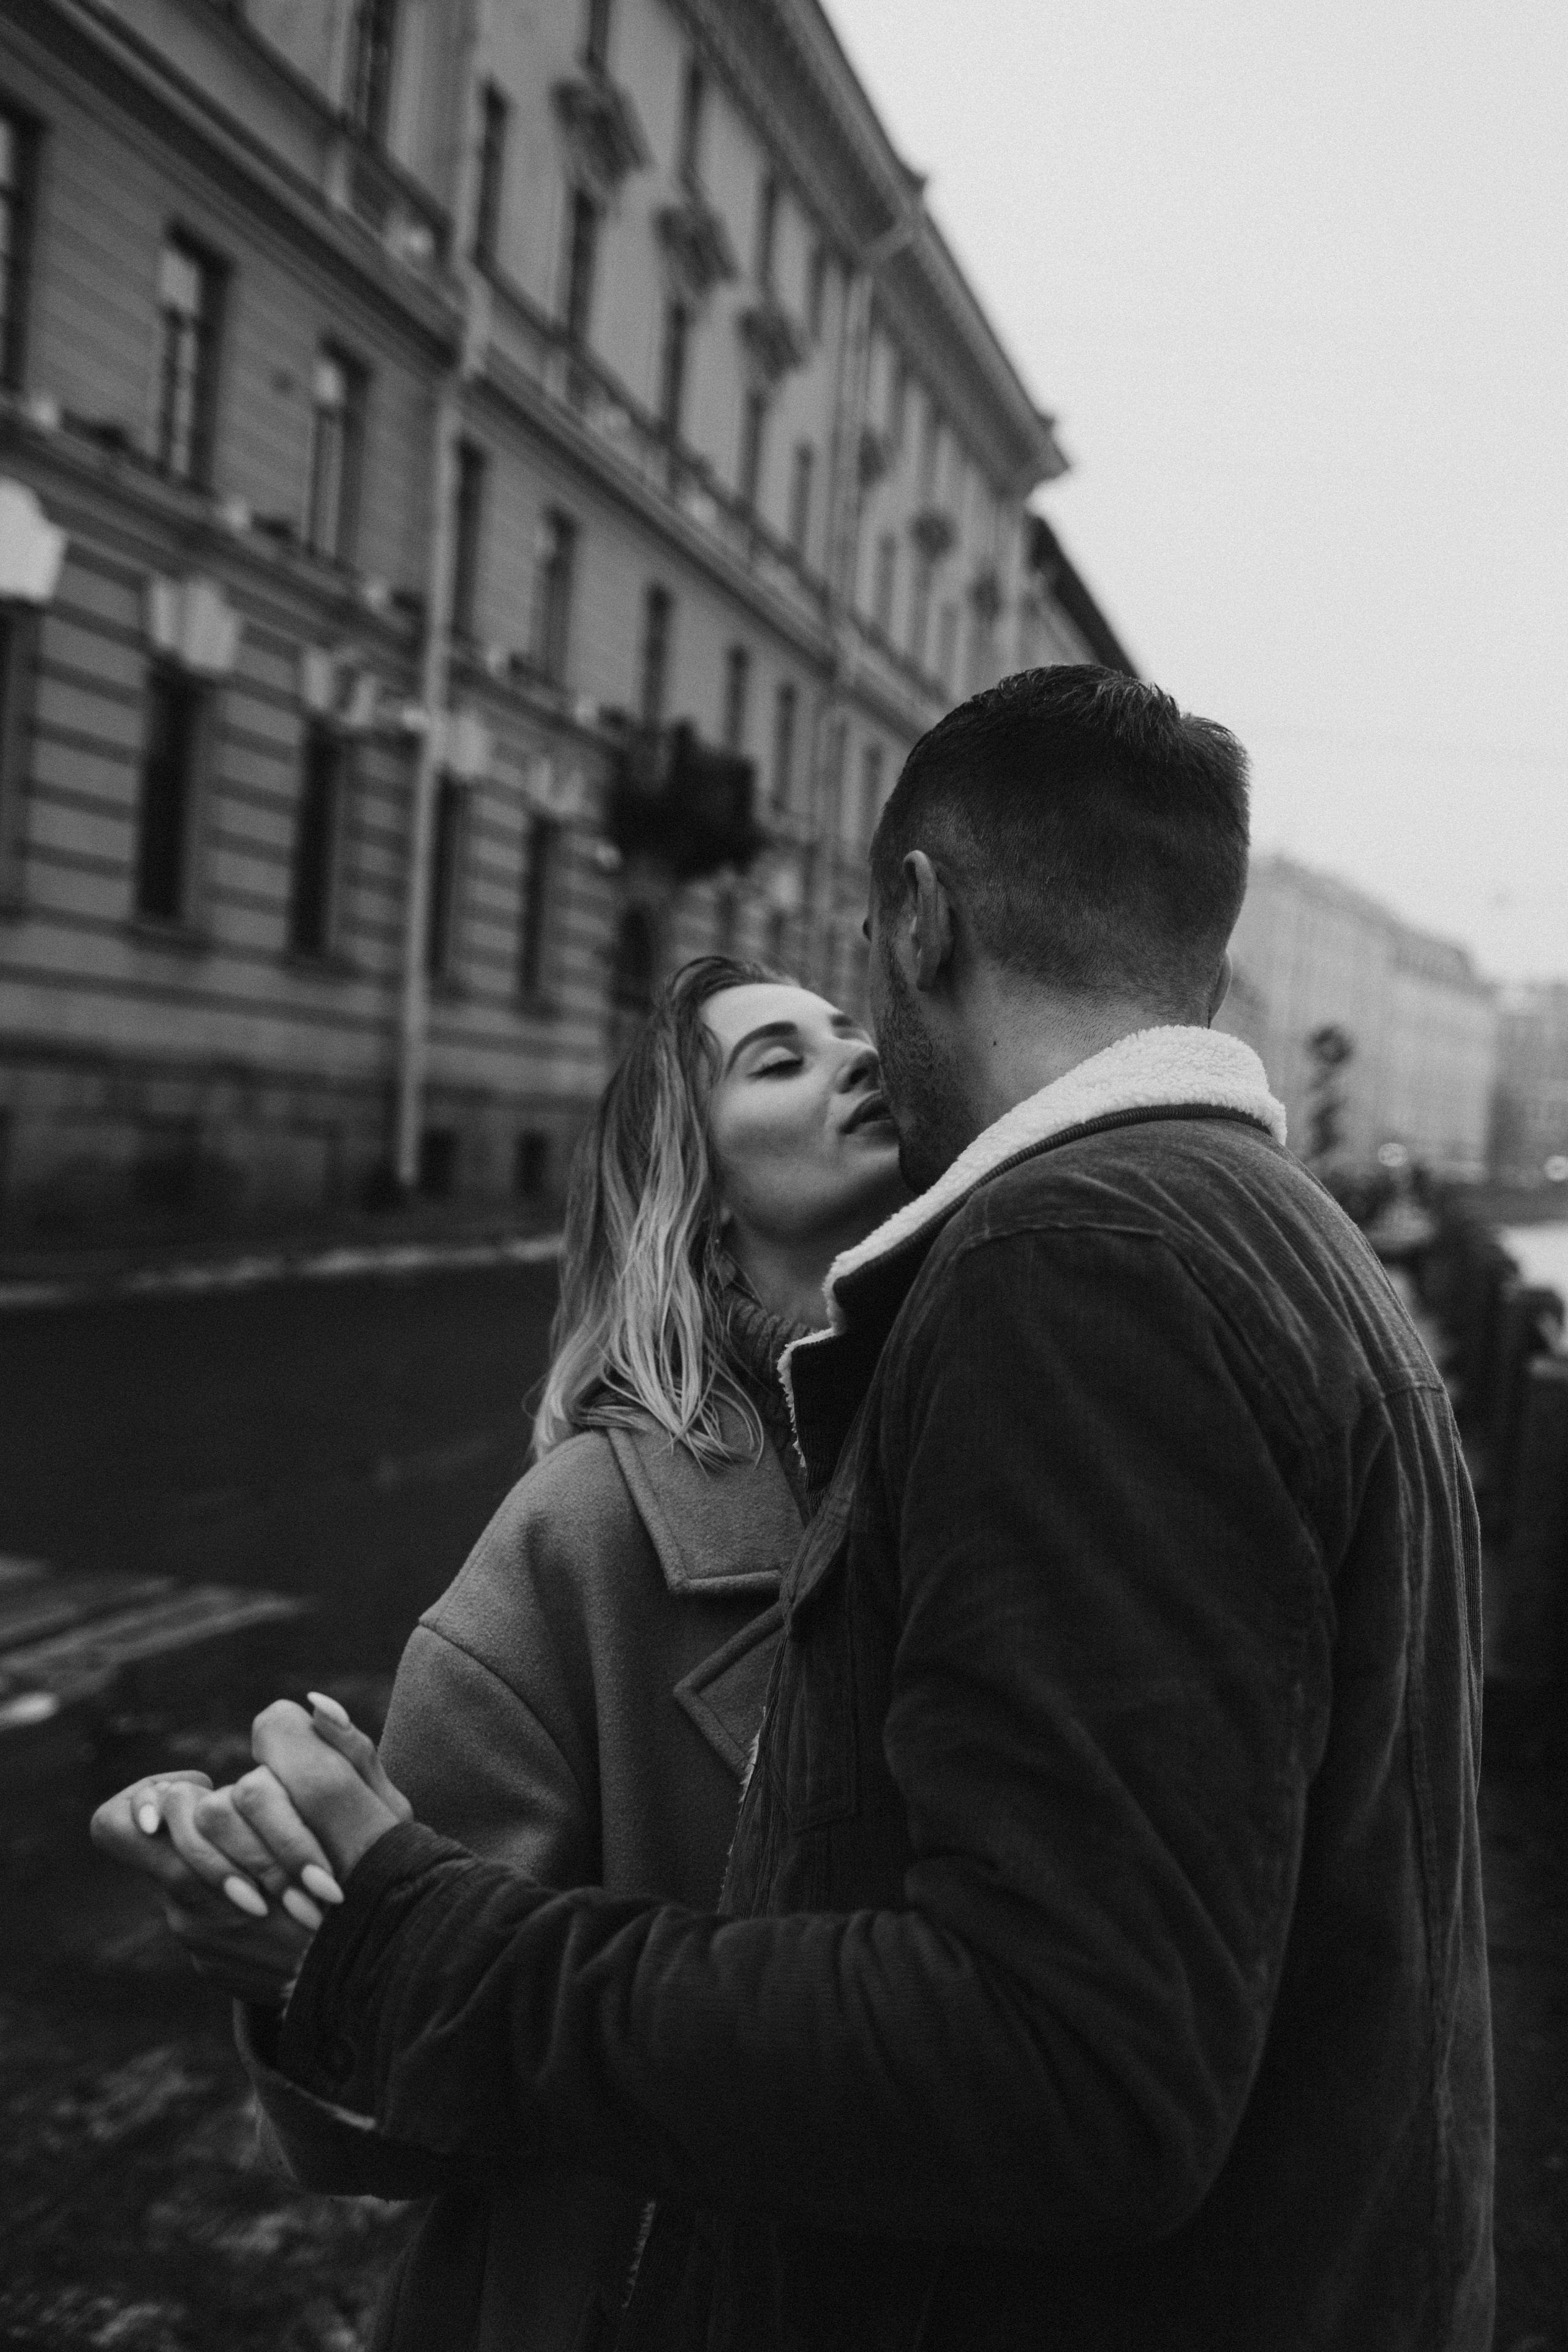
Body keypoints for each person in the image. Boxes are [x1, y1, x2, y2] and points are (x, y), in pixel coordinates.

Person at [133, 665, 1493, 2350]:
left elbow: (1064, 2067)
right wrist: (327, 1938)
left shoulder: (1075, 1273)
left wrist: (416, 1942)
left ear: (916, 919)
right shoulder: (1276, 1258)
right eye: (780, 1059)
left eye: (852, 999)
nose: (858, 1061)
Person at [89, 952, 909, 2352]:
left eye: (850, 1029)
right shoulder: (579, 1541)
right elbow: (422, 2100)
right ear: (699, 1209)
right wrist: (299, 1956)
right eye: (778, 1061)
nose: (860, 1055)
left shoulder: (1002, 1434)